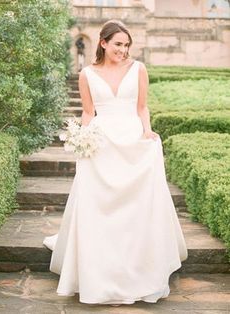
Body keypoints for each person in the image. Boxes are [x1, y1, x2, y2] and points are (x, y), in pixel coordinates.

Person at [43, 19, 188, 306]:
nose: (123, 50)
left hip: (132, 140)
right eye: (118, 44)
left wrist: (147, 131)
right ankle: (100, 271)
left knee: (135, 206)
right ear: (103, 42)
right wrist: (82, 141)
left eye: (126, 45)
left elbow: (142, 107)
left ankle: (138, 267)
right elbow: (88, 111)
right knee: (101, 205)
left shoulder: (138, 69)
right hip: (102, 141)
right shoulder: (87, 74)